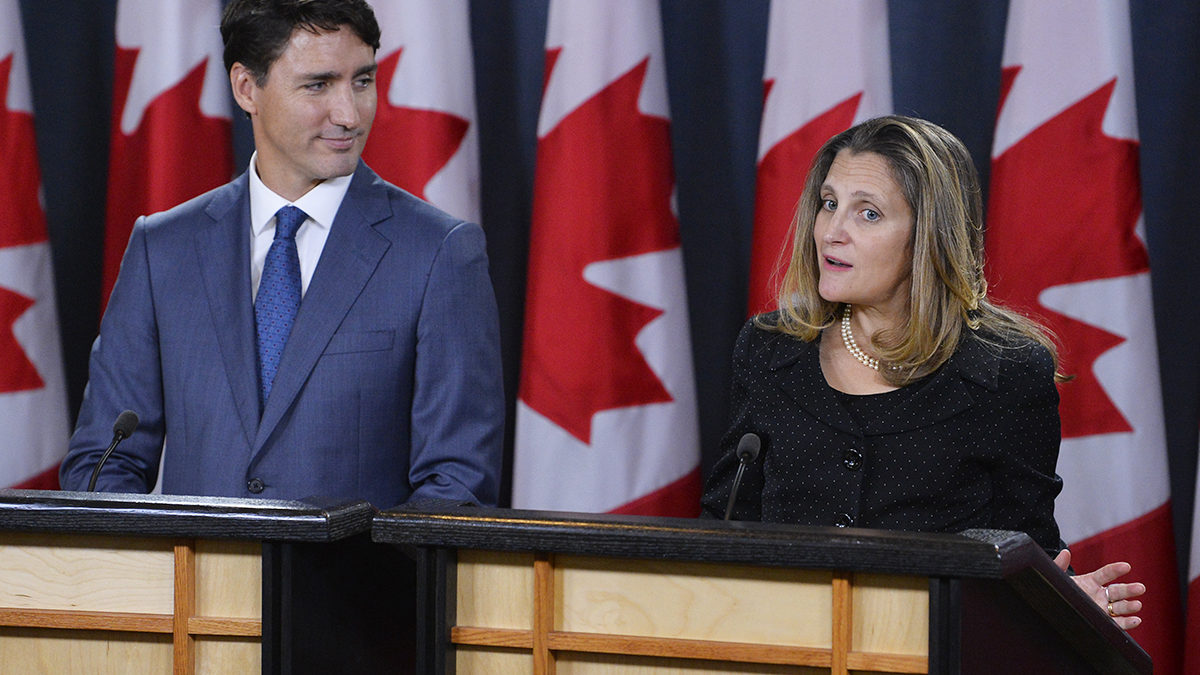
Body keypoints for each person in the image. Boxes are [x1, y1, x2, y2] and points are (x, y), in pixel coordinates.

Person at [700, 115, 1144, 629]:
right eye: (829, 203)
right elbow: (724, 525)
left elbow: (1025, 553)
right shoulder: (771, 350)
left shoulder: (1005, 371)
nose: (832, 231)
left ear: (928, 235)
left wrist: (1065, 598)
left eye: (867, 213)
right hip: (783, 644)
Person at [59, 0, 503, 509]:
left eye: (362, 81)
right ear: (247, 87)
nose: (349, 114)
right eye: (318, 85)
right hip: (192, 586)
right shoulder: (163, 251)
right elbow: (104, 462)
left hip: (359, 588)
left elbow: (457, 483)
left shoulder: (439, 254)